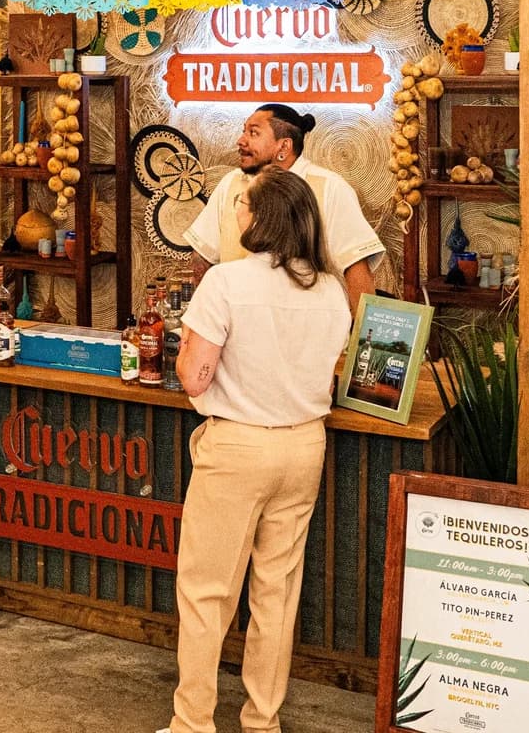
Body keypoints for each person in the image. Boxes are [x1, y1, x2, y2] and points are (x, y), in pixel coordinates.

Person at [161, 166, 353, 733]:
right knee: (277, 594)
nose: (237, 212)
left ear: (262, 219)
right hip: (304, 447)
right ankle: (262, 722)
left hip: (238, 449)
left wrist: (183, 353)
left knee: (206, 594)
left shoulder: (226, 281)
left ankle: (192, 723)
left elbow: (196, 379)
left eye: (243, 204)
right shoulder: (331, 289)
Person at [185, 103, 383, 313]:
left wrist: (362, 340)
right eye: (244, 131)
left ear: (284, 147)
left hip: (311, 329)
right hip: (239, 330)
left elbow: (356, 267)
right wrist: (205, 317)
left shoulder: (330, 188)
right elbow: (202, 258)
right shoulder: (230, 183)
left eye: (253, 133)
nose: (241, 140)